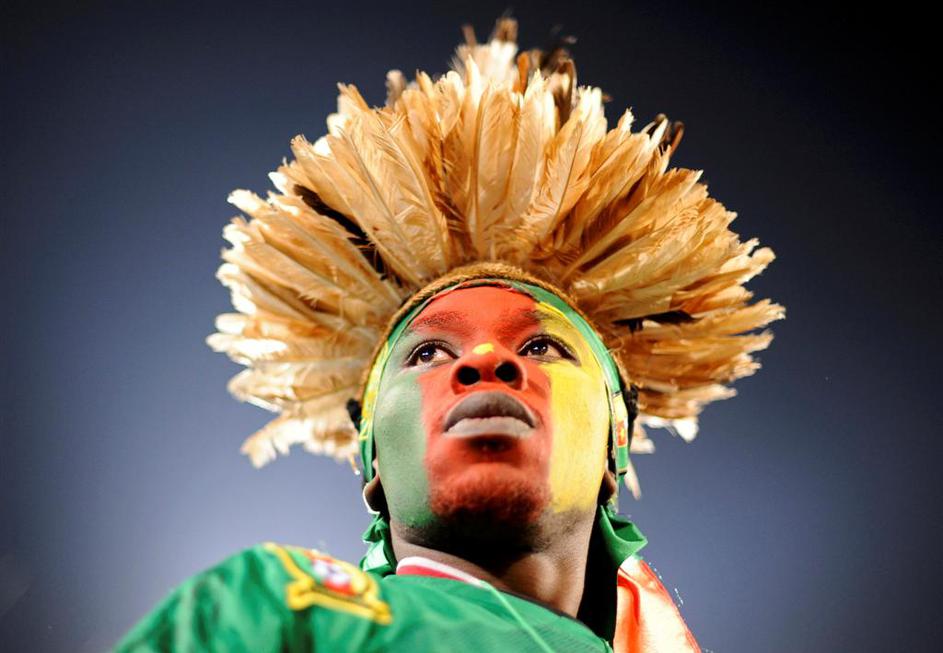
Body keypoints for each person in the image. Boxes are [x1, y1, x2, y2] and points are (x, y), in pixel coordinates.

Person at [115, 17, 783, 652]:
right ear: (373, 462)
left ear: (615, 446)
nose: (486, 360)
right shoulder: (273, 615)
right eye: (429, 351)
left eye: (541, 347)